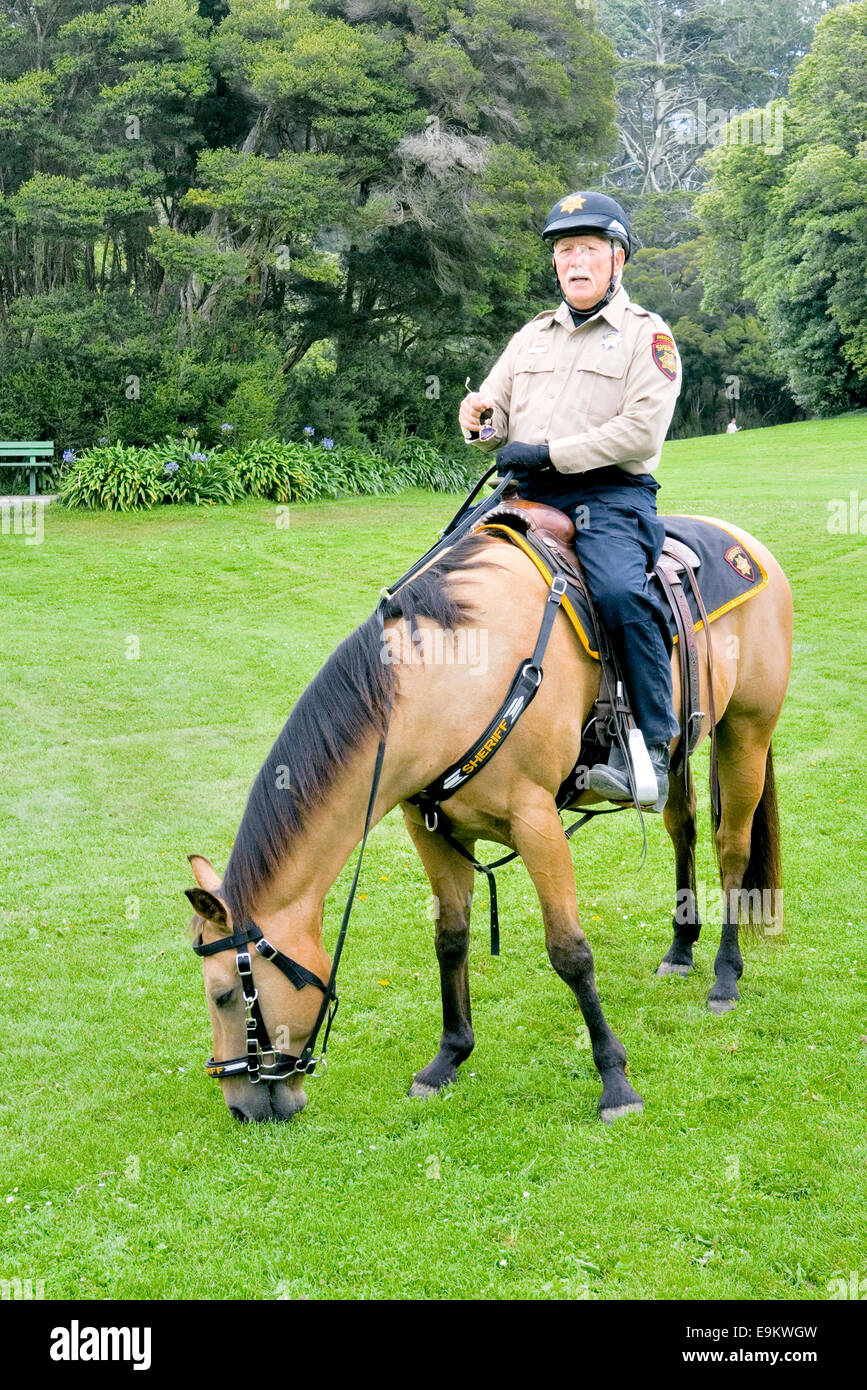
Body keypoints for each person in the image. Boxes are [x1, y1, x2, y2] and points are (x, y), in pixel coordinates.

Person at [458, 191, 682, 808]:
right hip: (527, 493)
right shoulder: (532, 336)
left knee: (617, 591)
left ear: (618, 260)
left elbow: (641, 431)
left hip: (609, 495)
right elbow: (494, 414)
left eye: (588, 249)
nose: (574, 262)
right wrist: (477, 418)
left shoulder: (648, 336)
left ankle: (653, 749)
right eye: (564, 251)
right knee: (444, 571)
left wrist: (549, 452)